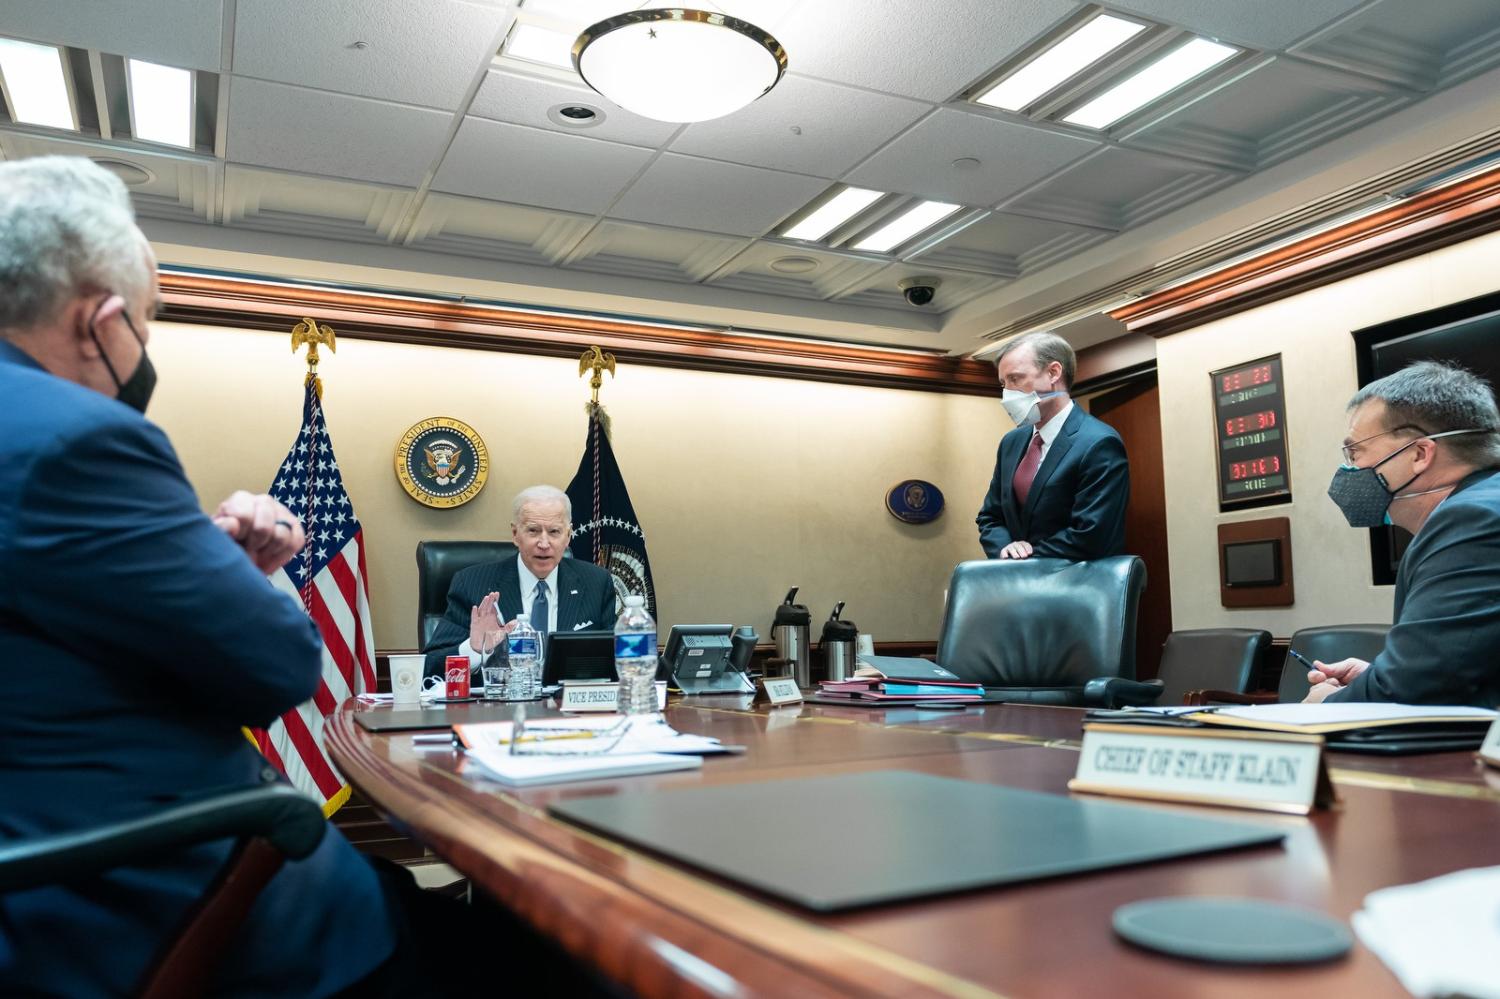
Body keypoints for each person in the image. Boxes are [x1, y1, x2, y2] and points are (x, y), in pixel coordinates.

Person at [0, 156, 407, 995]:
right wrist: (255, 576)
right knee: (518, 949)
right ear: (99, 322)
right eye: (145, 324)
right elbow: (280, 665)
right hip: (135, 897)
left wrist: (217, 569)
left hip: (42, 861)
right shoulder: (73, 437)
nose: (143, 348)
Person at [1306, 361, 1500, 707]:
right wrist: (1376, 675)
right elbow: (1462, 665)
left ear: (1419, 454)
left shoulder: (1472, 520)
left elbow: (1415, 687)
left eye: (1356, 452)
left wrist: (1324, 707)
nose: (1350, 468)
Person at [422, 485, 618, 678]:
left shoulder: (596, 583)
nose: (543, 544)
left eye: (554, 532)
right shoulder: (472, 584)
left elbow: (617, 660)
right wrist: (474, 649)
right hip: (500, 707)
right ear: (515, 534)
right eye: (533, 531)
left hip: (569, 706)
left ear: (568, 536)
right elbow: (429, 666)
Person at [975, 331, 1130, 561]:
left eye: (1015, 379)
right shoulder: (1012, 442)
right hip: (1017, 587)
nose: (1007, 393)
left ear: (1053, 373)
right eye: (1003, 383)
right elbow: (990, 517)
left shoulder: (1098, 442)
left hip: (1075, 587)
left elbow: (1092, 534)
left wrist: (1024, 559)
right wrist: (1006, 549)